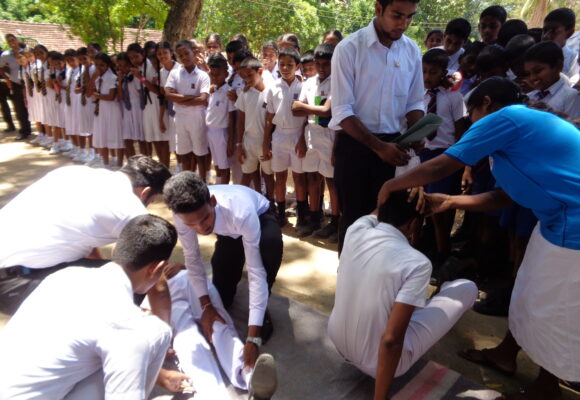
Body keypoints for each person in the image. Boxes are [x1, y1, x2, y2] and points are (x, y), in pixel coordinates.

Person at [378, 77, 580, 400]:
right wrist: (451, 201)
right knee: (527, 289)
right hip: (555, 221)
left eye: (470, 113)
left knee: (553, 307)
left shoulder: (507, 118)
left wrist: (392, 185)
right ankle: (506, 353)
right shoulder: (514, 138)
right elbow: (505, 197)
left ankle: (546, 387)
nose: (470, 123)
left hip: (575, 227)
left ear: (484, 104)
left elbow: (443, 165)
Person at [0, 214, 185, 399]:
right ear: (157, 268)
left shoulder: (65, 276)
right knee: (156, 331)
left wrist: (161, 376)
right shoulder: (129, 323)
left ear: (114, 250)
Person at [328, 190, 477, 399]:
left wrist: (402, 190)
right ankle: (446, 290)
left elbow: (381, 207)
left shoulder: (357, 228)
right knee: (467, 287)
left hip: (338, 340)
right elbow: (391, 341)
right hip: (375, 362)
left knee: (401, 302)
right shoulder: (416, 263)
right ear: (413, 224)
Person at [0, 155, 171, 313]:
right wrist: (164, 330)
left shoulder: (74, 172)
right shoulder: (129, 208)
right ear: (145, 192)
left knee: (117, 274)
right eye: (151, 201)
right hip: (17, 282)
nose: (147, 205)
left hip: (12, 272)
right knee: (132, 277)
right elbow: (155, 280)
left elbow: (82, 240)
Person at [329, 0, 425, 252]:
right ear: (378, 8)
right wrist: (378, 147)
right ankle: (350, 286)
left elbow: (414, 101)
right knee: (355, 222)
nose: (403, 24)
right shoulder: (349, 48)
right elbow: (342, 111)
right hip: (357, 147)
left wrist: (419, 130)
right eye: (397, 15)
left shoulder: (411, 50)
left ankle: (380, 286)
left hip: (396, 149)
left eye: (410, 17)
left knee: (389, 224)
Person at [163, 171, 283, 344]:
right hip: (228, 229)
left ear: (212, 202)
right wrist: (206, 306)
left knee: (268, 254)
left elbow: (255, 271)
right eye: (191, 224)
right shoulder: (180, 214)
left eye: (204, 219)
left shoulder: (241, 212)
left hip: (258, 217)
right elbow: (192, 257)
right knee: (222, 293)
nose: (200, 228)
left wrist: (252, 336)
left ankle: (261, 309)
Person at [165, 265, 278, 399]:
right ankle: (236, 383)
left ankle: (250, 380)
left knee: (213, 326)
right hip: (166, 291)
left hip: (181, 280)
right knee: (194, 337)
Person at [420, 48, 467, 264]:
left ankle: (442, 255)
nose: (427, 77)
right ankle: (424, 247)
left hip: (444, 155)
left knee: (440, 210)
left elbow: (459, 130)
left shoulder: (453, 97)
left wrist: (456, 160)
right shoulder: (420, 94)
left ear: (443, 72)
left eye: (433, 72)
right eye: (425, 72)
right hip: (423, 154)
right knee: (421, 204)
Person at [291, 43, 339, 240]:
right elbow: (295, 110)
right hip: (311, 133)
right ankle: (314, 217)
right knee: (312, 177)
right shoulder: (309, 82)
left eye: (325, 64)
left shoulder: (337, 82)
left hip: (329, 135)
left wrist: (307, 108)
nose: (321, 68)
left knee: (331, 181)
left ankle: (336, 221)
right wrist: (302, 139)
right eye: (317, 64)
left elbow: (328, 111)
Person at [262, 47, 308, 229]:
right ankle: (280, 214)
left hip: (297, 135)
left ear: (297, 66)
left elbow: (306, 118)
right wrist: (266, 143)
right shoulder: (273, 88)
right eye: (282, 64)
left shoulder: (304, 87)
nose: (285, 68)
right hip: (279, 135)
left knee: (299, 178)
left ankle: (302, 216)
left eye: (290, 64)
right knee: (279, 177)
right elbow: (269, 118)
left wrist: (303, 139)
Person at [165, 40, 211, 177]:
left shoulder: (202, 75)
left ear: (194, 52)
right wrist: (191, 98)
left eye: (187, 53)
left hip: (197, 118)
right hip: (180, 117)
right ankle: (187, 181)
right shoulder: (174, 74)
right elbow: (168, 95)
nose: (184, 57)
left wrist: (179, 98)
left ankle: (203, 181)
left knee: (200, 153)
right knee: (184, 152)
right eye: (180, 55)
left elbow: (203, 99)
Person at [235, 56, 275, 200]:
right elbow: (240, 121)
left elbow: (272, 121)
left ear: (260, 71)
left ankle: (271, 205)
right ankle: (245, 203)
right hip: (248, 142)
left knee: (268, 175)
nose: (247, 79)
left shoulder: (271, 92)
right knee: (248, 173)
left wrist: (267, 144)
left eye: (250, 75)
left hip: (265, 142)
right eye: (244, 77)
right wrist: (239, 144)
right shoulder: (245, 93)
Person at [128, 43, 170, 166]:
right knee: (155, 139)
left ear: (142, 54)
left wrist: (141, 78)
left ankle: (165, 167)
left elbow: (158, 90)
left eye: (136, 56)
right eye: (131, 58)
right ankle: (161, 167)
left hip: (158, 105)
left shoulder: (151, 65)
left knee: (163, 140)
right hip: (148, 107)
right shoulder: (139, 68)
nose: (134, 60)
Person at [525, 40, 580, 118]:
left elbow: (573, 126)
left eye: (538, 71)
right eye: (528, 74)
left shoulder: (572, 97)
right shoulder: (530, 97)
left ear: (558, 66)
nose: (532, 78)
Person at [87, 52, 123, 169]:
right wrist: (93, 78)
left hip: (112, 110)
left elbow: (111, 97)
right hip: (100, 110)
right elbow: (88, 93)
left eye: (102, 65)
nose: (99, 68)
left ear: (107, 65)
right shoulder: (97, 78)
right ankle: (105, 163)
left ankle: (119, 164)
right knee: (102, 136)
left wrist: (96, 95)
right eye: (96, 65)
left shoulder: (112, 77)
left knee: (116, 135)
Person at [206, 52, 235, 184]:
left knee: (224, 166)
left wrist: (230, 141)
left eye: (218, 74)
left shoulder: (228, 92)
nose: (214, 77)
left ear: (226, 74)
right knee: (216, 163)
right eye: (212, 74)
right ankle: (218, 188)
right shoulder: (213, 90)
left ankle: (224, 190)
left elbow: (232, 116)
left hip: (222, 133)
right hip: (211, 131)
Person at [117, 52, 147, 161]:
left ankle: (145, 163)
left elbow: (141, 93)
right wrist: (120, 81)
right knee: (127, 139)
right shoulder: (122, 78)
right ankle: (132, 164)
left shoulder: (135, 76)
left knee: (141, 139)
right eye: (120, 66)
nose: (123, 68)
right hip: (127, 110)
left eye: (125, 65)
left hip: (138, 109)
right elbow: (120, 97)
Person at [0, 33, 31, 140]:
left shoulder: (26, 51)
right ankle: (24, 131)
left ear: (16, 40)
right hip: (16, 83)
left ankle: (44, 132)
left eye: (13, 40)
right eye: (9, 41)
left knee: (34, 106)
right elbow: (1, 68)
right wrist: (7, 79)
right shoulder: (5, 55)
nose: (12, 43)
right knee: (19, 108)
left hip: (30, 83)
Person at [157, 41, 181, 171]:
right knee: (174, 141)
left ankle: (183, 168)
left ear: (171, 53)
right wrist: (161, 118)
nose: (162, 56)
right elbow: (163, 96)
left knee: (182, 142)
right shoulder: (161, 73)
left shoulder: (180, 69)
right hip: (171, 112)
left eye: (165, 53)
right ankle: (178, 167)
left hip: (182, 111)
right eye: (159, 54)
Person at [542, 8, 579, 85]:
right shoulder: (534, 55)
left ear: (569, 33)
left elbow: (573, 86)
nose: (546, 36)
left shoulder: (574, 59)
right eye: (544, 30)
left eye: (553, 31)